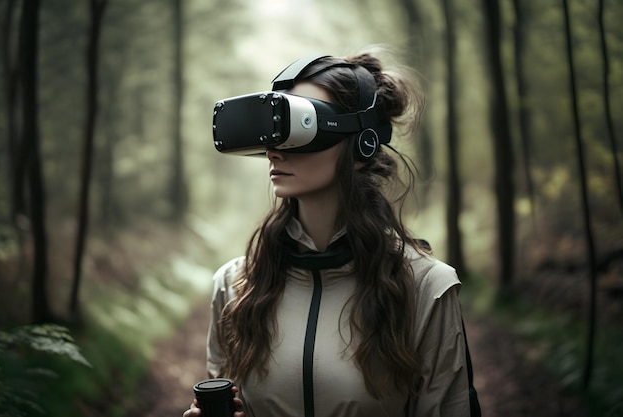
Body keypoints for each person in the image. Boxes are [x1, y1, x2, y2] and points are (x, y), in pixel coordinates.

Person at [184, 49, 473, 417]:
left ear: (362, 146)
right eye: (273, 127)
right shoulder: (235, 286)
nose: (275, 150)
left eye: (300, 125)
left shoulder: (426, 288)